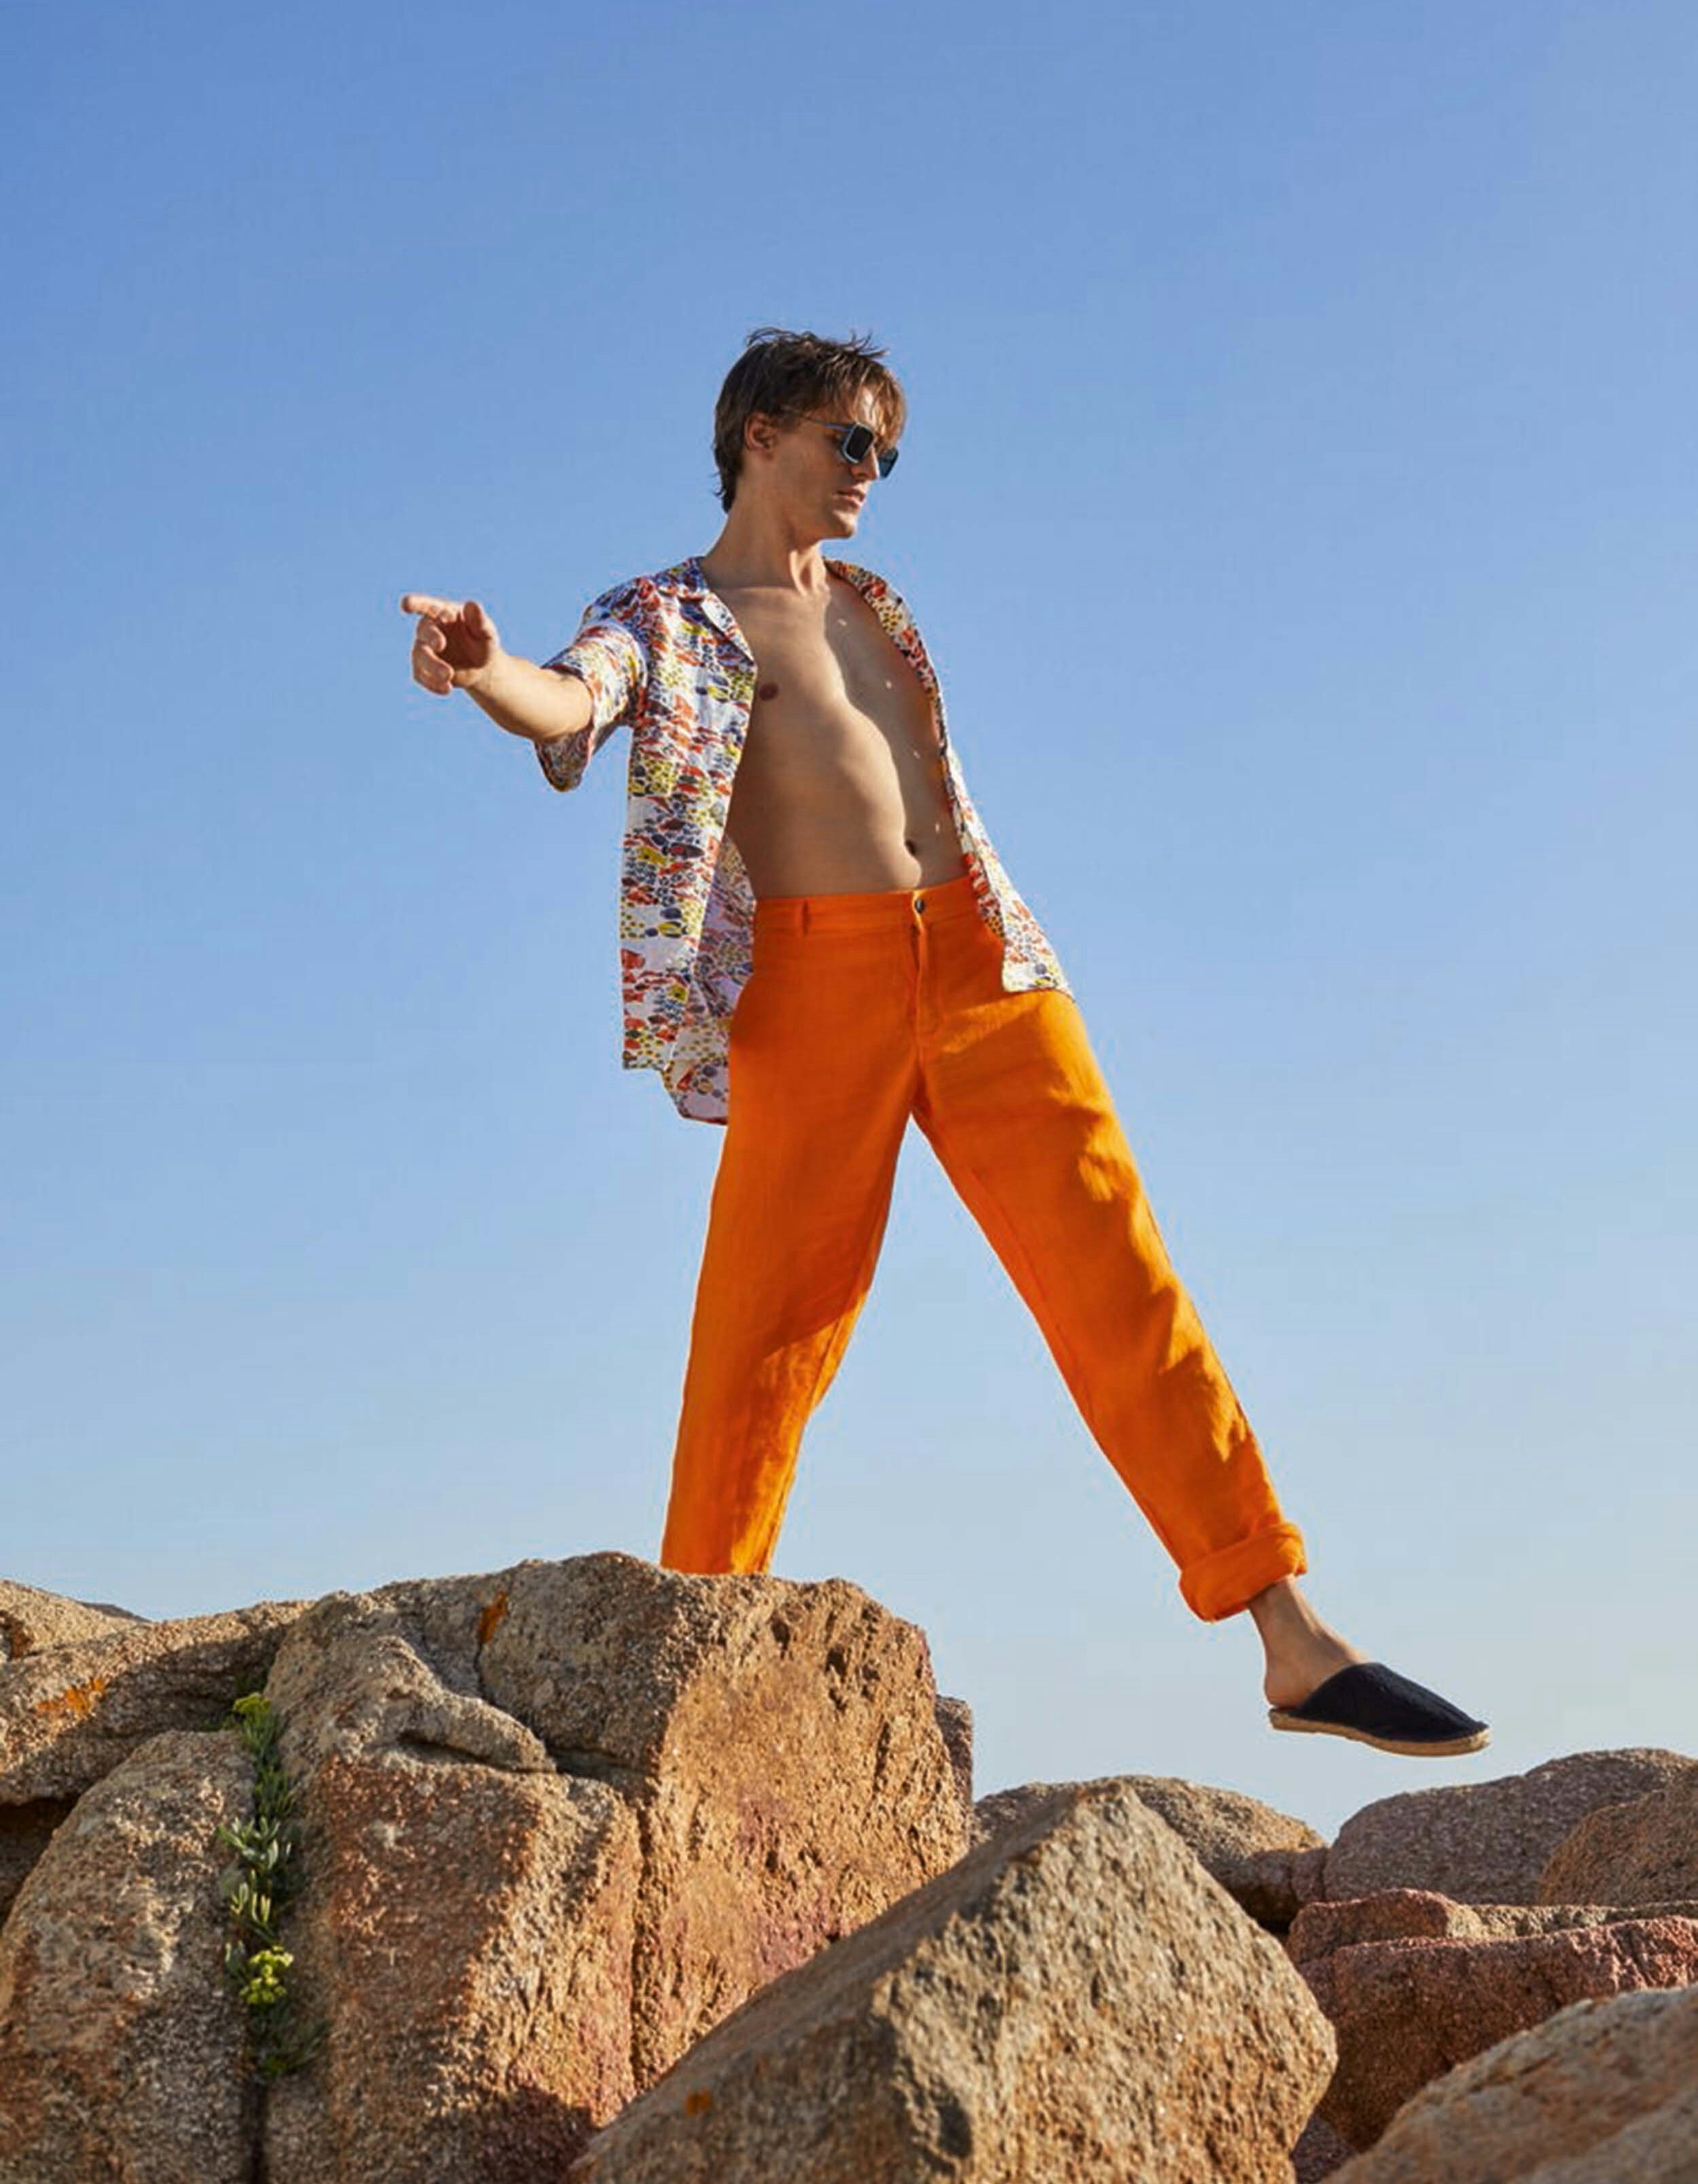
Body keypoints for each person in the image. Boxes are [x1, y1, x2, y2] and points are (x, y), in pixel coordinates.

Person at [401, 326, 1489, 1759]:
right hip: (815, 985)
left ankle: (1288, 1635)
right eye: (850, 443)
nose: (872, 474)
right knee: (761, 1336)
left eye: (888, 453)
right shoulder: (664, 616)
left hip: (986, 967)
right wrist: (487, 670)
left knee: (1118, 1279)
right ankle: (687, 1669)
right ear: (758, 436)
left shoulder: (875, 604)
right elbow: (572, 698)